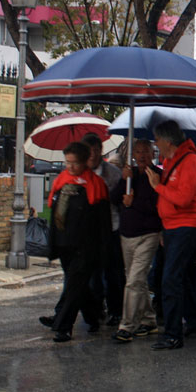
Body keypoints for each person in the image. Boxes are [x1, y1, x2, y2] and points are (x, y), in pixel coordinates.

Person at [145, 120, 196, 350]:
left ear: (167, 141)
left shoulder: (190, 161)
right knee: (182, 275)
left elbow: (183, 198)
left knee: (171, 278)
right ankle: (194, 320)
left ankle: (173, 334)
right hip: (172, 226)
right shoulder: (172, 160)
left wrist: (157, 186)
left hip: (186, 225)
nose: (155, 144)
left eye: (157, 140)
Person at [47, 141, 111, 342]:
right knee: (79, 285)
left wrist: (104, 248)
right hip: (64, 243)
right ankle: (93, 316)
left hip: (86, 245)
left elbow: (104, 221)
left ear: (84, 162)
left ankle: (63, 326)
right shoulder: (61, 180)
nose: (70, 166)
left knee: (75, 285)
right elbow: (54, 214)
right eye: (67, 162)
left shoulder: (96, 185)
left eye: (74, 162)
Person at [109, 139, 162, 342]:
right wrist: (124, 181)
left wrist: (133, 203)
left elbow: (158, 205)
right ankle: (148, 319)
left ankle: (127, 325)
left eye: (146, 152)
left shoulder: (157, 176)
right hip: (127, 234)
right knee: (136, 280)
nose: (142, 156)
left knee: (134, 280)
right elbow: (114, 199)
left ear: (153, 154)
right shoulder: (129, 175)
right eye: (138, 152)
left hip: (148, 234)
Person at [83, 133, 124, 327]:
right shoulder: (79, 172)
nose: (92, 155)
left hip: (111, 227)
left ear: (101, 151)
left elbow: (119, 201)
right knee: (92, 275)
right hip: (88, 231)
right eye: (89, 151)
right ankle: (96, 309)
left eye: (96, 150)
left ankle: (116, 310)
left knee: (113, 272)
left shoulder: (112, 173)